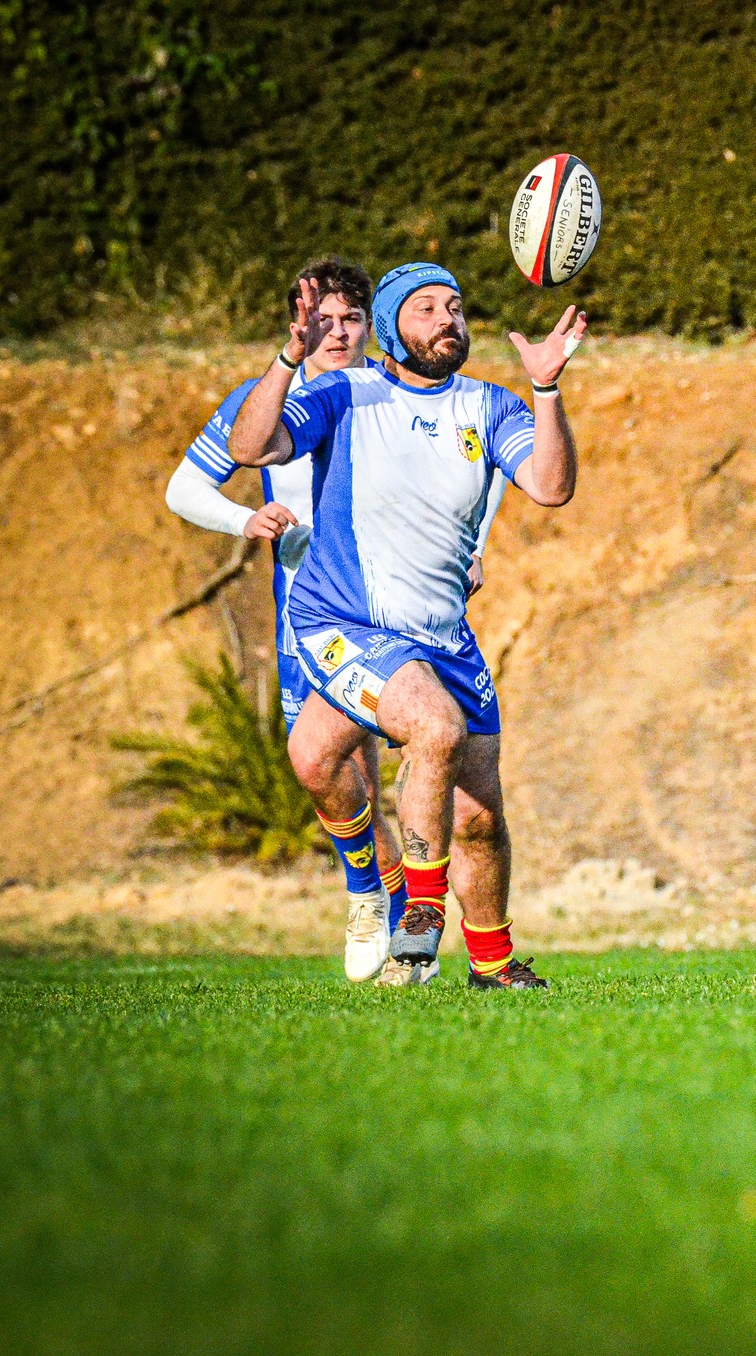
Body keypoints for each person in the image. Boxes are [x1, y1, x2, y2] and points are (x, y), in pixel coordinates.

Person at [229, 261, 586, 989]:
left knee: (473, 811)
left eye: (455, 307)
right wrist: (288, 358)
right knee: (435, 728)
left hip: (443, 635)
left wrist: (546, 390)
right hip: (345, 622)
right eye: (426, 308)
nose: (447, 319)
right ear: (391, 326)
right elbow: (252, 448)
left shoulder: (489, 406)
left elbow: (551, 487)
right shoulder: (343, 393)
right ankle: (416, 915)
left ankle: (491, 965)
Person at [165, 258, 507, 984]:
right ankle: (369, 893)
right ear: (300, 324)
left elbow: (473, 467)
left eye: (352, 319)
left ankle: (415, 930)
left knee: (423, 750)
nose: (339, 332)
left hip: (400, 615)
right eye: (325, 320)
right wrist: (245, 518)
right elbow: (186, 485)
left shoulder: (384, 397)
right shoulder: (275, 399)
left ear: (371, 325)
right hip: (314, 619)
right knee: (325, 768)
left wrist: (473, 547)